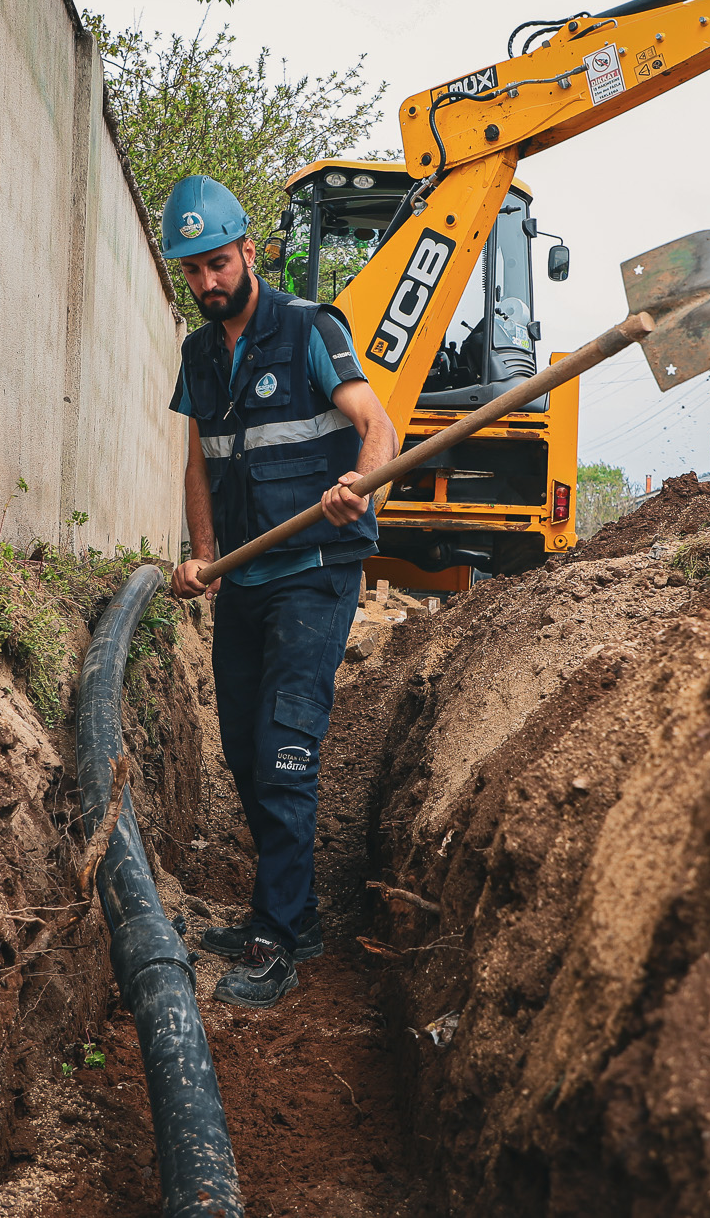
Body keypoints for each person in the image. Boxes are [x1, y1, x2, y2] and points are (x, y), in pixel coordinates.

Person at [161, 175, 398, 1010]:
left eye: (217, 264)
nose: (206, 283)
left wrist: (357, 484)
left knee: (285, 748)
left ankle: (278, 934)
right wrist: (199, 555)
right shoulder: (198, 355)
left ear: (249, 252)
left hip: (315, 570)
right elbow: (199, 460)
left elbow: (378, 423)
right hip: (245, 577)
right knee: (240, 749)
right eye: (191, 272)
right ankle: (292, 918)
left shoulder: (308, 327)